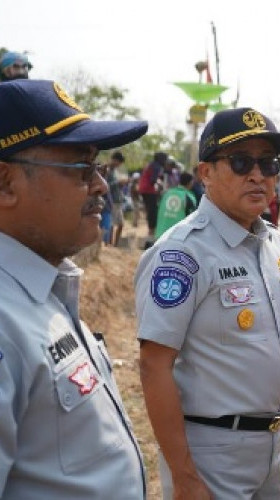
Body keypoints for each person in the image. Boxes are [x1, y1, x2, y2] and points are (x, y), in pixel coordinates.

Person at [135, 107, 280, 499]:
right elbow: (153, 366)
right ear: (206, 173)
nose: (258, 175)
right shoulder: (181, 254)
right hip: (212, 451)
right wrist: (185, 479)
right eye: (240, 162)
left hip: (272, 444)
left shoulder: (274, 243)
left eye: (268, 164)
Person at [0, 79, 148, 498]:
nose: (101, 185)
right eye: (81, 169)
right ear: (6, 183)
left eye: (98, 167)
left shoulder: (44, 287)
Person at [154, 171, 197, 239]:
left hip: (159, 235)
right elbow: (192, 219)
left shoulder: (167, 193)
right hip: (176, 238)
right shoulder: (189, 197)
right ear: (190, 183)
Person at [138, 151, 167, 239]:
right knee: (153, 211)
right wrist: (160, 184)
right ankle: (151, 232)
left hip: (143, 188)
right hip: (148, 190)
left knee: (150, 210)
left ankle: (150, 231)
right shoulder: (157, 166)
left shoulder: (151, 164)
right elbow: (153, 180)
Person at [105, 151, 128, 246]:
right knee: (112, 224)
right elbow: (106, 185)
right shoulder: (107, 170)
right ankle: (109, 244)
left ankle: (115, 244)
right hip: (111, 201)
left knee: (119, 224)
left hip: (118, 200)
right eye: (119, 162)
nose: (119, 164)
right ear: (114, 160)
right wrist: (118, 183)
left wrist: (121, 184)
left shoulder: (114, 171)